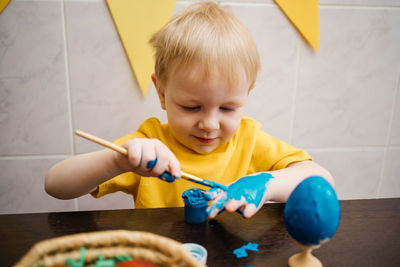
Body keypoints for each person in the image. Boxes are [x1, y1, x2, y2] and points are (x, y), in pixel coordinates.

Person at [45, 1, 334, 219]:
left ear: (247, 95)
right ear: (161, 93)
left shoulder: (249, 141)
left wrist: (267, 183)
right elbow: (55, 185)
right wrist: (117, 162)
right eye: (192, 107)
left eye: (228, 108)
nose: (209, 124)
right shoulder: (149, 145)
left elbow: (322, 180)